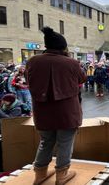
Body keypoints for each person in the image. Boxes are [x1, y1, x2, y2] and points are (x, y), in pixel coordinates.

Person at [26, 27, 86, 185]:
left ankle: (39, 175)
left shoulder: (32, 61)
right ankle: (61, 176)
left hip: (42, 112)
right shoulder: (71, 62)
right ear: (63, 47)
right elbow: (82, 79)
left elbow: (28, 81)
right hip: (66, 112)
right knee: (65, 142)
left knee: (45, 142)